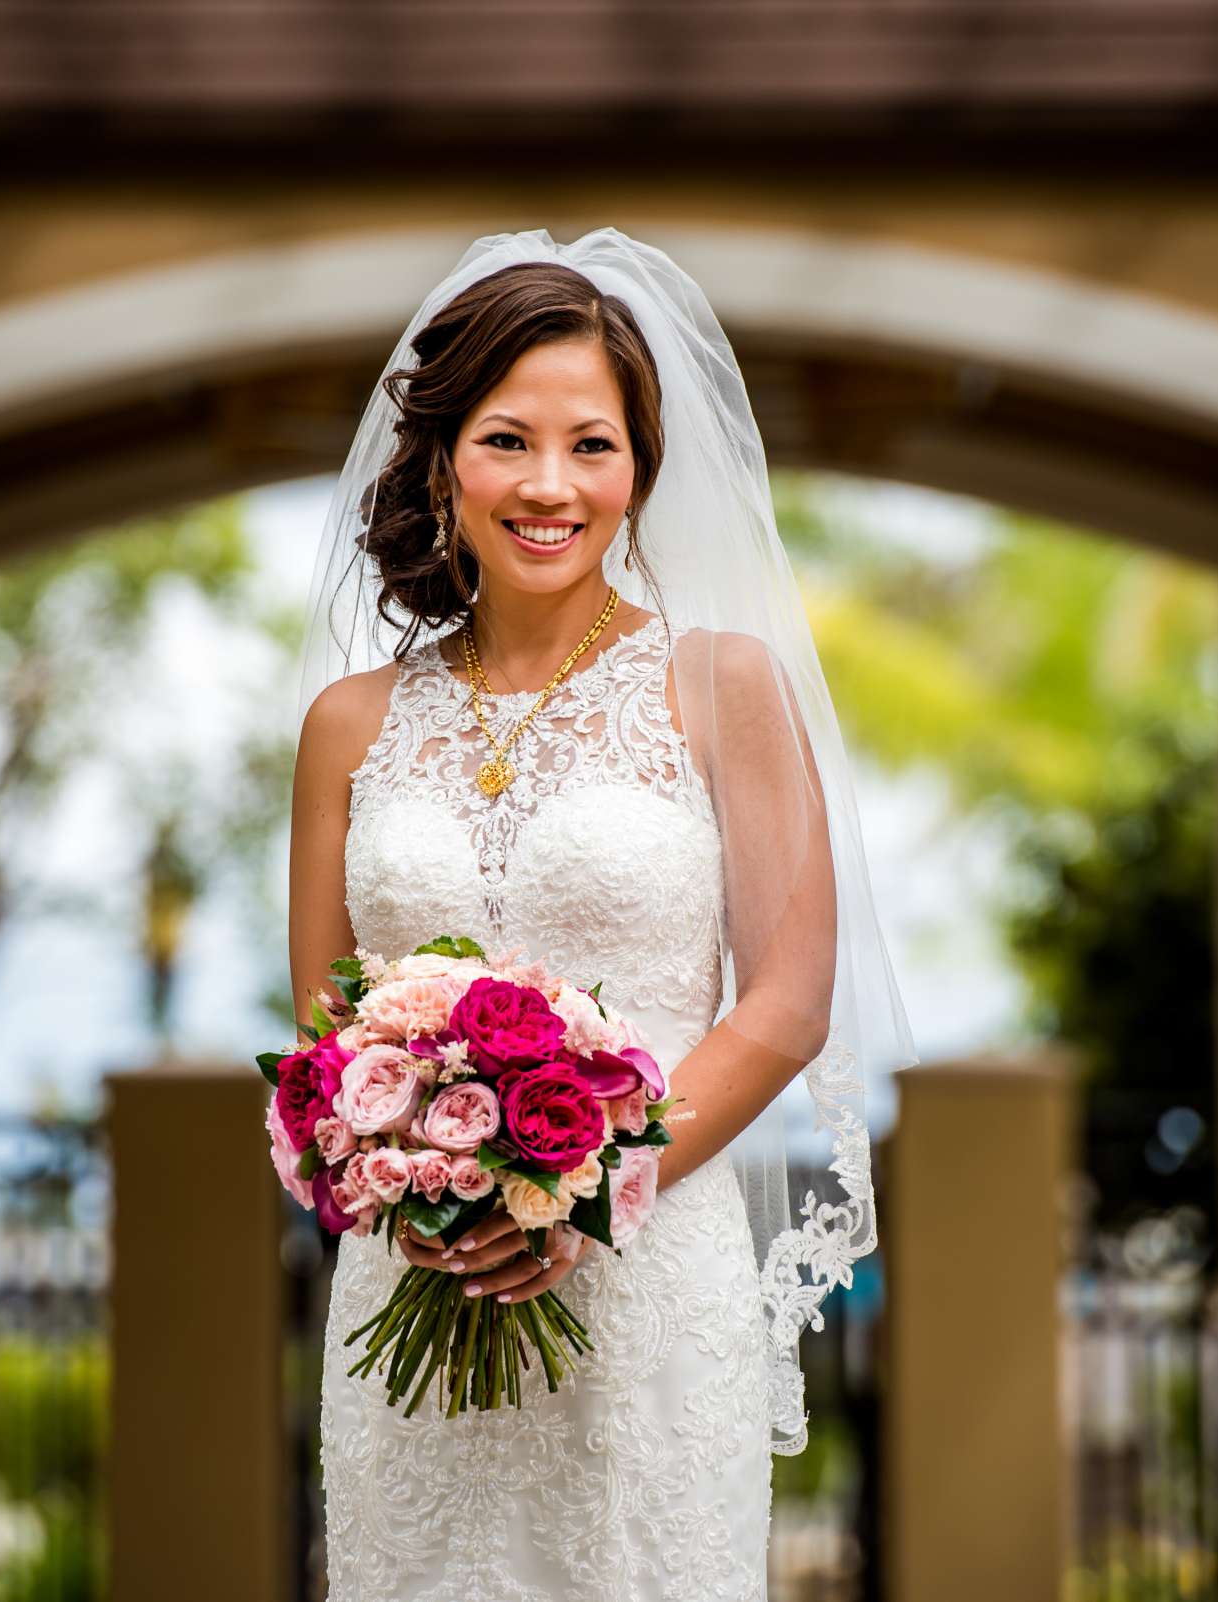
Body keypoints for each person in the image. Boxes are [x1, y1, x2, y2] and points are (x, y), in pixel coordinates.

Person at [286, 228, 916, 1602]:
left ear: (642, 468)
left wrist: (586, 1188)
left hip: (647, 1281)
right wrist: (425, 1182)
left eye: (594, 445)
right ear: (444, 455)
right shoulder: (347, 726)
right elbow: (325, 1032)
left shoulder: (723, 685)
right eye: (509, 439)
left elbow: (789, 999)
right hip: (417, 1279)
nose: (551, 485)